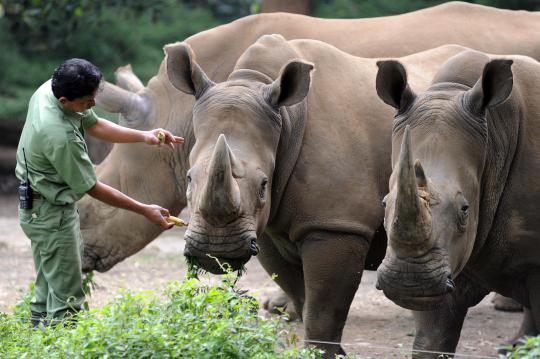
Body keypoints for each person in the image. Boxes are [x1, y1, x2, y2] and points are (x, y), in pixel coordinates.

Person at [15, 58, 184, 326]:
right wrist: (144, 210)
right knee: (67, 300)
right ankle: (61, 346)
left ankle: (38, 341)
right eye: (86, 101)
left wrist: (145, 135)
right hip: (51, 214)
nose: (92, 104)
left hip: (36, 207)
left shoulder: (49, 89)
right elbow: (92, 188)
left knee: (47, 287)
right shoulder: (59, 135)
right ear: (64, 100)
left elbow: (93, 124)